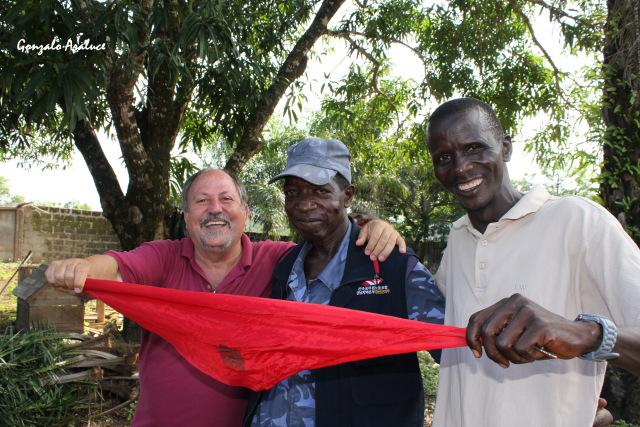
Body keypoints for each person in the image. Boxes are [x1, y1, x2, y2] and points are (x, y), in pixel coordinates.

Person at [45, 168, 405, 427]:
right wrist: (82, 267)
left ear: (244, 214)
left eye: (226, 199)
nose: (214, 208)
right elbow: (116, 267)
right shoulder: (164, 257)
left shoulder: (279, 261)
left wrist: (372, 225)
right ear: (186, 218)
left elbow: (332, 241)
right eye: (202, 201)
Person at [425, 97, 640, 427]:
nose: (460, 167)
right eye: (444, 158)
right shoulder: (457, 240)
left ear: (505, 147)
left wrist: (587, 334)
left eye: (473, 148)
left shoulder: (578, 221)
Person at [245, 137, 445, 427]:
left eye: (320, 191)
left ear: (347, 196)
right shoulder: (284, 267)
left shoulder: (391, 265)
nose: (304, 204)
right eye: (293, 192)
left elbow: (450, 348)